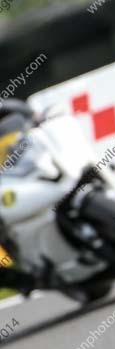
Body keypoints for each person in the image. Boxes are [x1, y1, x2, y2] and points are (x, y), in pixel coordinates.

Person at [0, 99, 38, 294]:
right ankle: (21, 279)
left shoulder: (8, 116)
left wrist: (34, 117)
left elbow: (13, 108)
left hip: (23, 167)